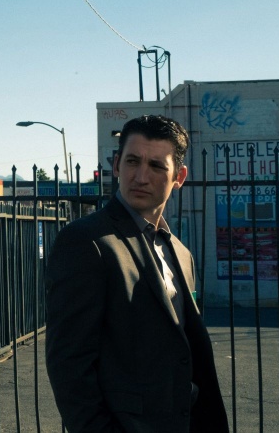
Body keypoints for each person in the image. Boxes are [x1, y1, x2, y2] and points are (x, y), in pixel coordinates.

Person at [45, 115, 228, 432]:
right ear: (117, 165)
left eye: (156, 166)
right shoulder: (87, 241)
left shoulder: (181, 253)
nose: (141, 176)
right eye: (132, 161)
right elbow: (69, 364)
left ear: (179, 176)